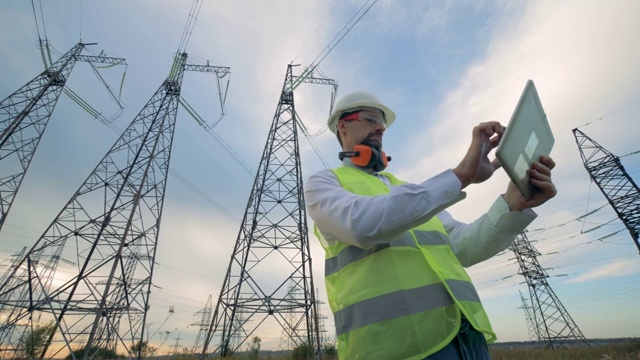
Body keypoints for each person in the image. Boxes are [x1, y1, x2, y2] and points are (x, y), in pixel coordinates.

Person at [304, 91, 557, 360]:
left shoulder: (409, 192)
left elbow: (462, 247)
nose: (380, 127)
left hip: (467, 336)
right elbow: (362, 225)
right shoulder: (324, 184)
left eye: (383, 123)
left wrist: (511, 205)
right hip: (397, 348)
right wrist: (462, 176)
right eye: (370, 118)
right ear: (342, 125)